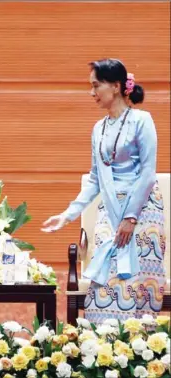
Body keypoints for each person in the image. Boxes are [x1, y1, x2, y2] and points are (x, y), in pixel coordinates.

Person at [42, 58, 166, 324]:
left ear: (117, 86)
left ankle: (140, 349)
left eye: (96, 86)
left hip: (143, 211)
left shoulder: (142, 120)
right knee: (105, 282)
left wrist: (131, 218)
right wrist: (68, 214)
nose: (92, 92)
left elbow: (147, 173)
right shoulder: (98, 129)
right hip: (109, 209)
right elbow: (95, 179)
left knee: (137, 282)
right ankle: (105, 351)